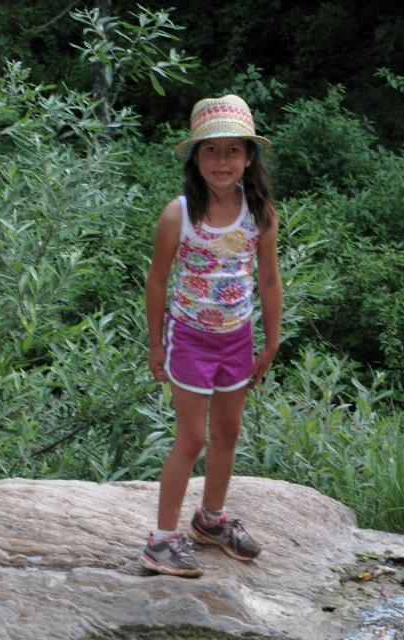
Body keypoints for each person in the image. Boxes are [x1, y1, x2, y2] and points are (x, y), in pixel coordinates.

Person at [138, 94, 282, 577]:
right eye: (210, 150)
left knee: (227, 432)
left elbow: (268, 279)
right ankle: (161, 541)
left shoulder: (260, 213)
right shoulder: (178, 214)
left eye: (233, 150)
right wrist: (156, 342)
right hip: (191, 338)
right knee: (192, 437)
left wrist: (271, 341)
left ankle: (211, 521)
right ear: (195, 158)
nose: (222, 161)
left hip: (237, 339)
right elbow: (157, 280)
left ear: (249, 157)